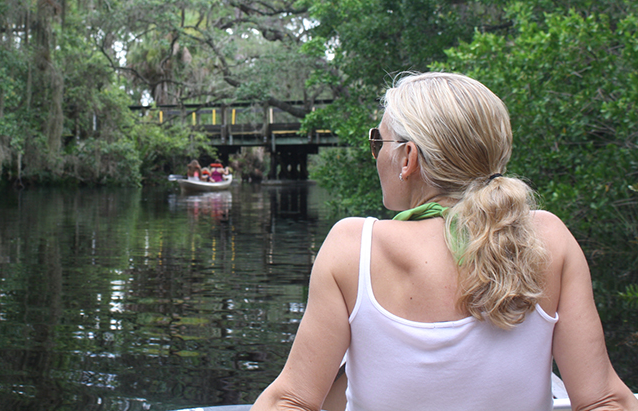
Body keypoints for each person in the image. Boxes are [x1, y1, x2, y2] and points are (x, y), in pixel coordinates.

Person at [250, 72, 638, 411]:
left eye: (378, 142)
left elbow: (293, 401)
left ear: (407, 158)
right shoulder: (548, 239)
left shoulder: (354, 246)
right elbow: (603, 401)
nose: (375, 155)